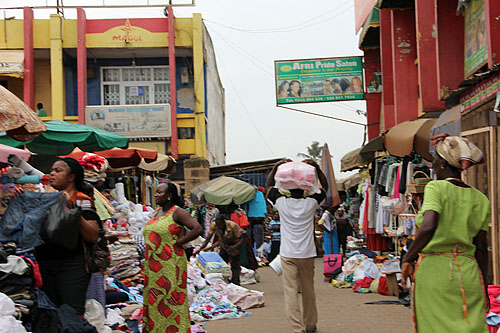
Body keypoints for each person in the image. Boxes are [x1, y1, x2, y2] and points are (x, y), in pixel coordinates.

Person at [401, 134, 490, 332]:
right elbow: (482, 247)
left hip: (436, 272)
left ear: (442, 164)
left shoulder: (436, 188)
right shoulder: (481, 198)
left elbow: (429, 225)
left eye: (434, 162)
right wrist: (484, 285)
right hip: (469, 273)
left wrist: (408, 258)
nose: (432, 167)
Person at [266, 159, 328, 333]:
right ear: (305, 188)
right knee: (308, 290)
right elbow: (325, 188)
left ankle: (297, 328)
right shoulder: (311, 203)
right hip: (307, 254)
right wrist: (315, 167)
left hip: (287, 254)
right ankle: (310, 325)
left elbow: (269, 186)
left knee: (291, 292)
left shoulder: (281, 203)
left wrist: (276, 166)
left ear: (289, 188)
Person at [35, 158, 99, 315]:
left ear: (71, 177)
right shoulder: (44, 199)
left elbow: (92, 235)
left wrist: (73, 209)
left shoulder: (82, 201)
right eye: (51, 170)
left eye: (58, 171)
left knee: (71, 314)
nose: (51, 174)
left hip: (72, 266)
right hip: (44, 264)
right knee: (49, 313)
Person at [142, 182, 202, 332]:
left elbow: (197, 228)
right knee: (155, 301)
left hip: (170, 265)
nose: (156, 195)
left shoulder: (178, 212)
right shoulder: (156, 212)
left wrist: (180, 241)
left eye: (160, 192)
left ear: (169, 196)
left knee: (171, 300)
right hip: (153, 267)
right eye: (156, 192)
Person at [194, 214, 246, 285]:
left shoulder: (232, 225)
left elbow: (242, 238)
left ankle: (236, 283)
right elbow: (208, 239)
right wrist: (200, 248)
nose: (218, 227)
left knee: (235, 265)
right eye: (217, 225)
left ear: (224, 222)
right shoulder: (214, 225)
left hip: (234, 244)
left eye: (220, 225)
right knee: (222, 264)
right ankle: (223, 282)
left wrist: (234, 246)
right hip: (223, 245)